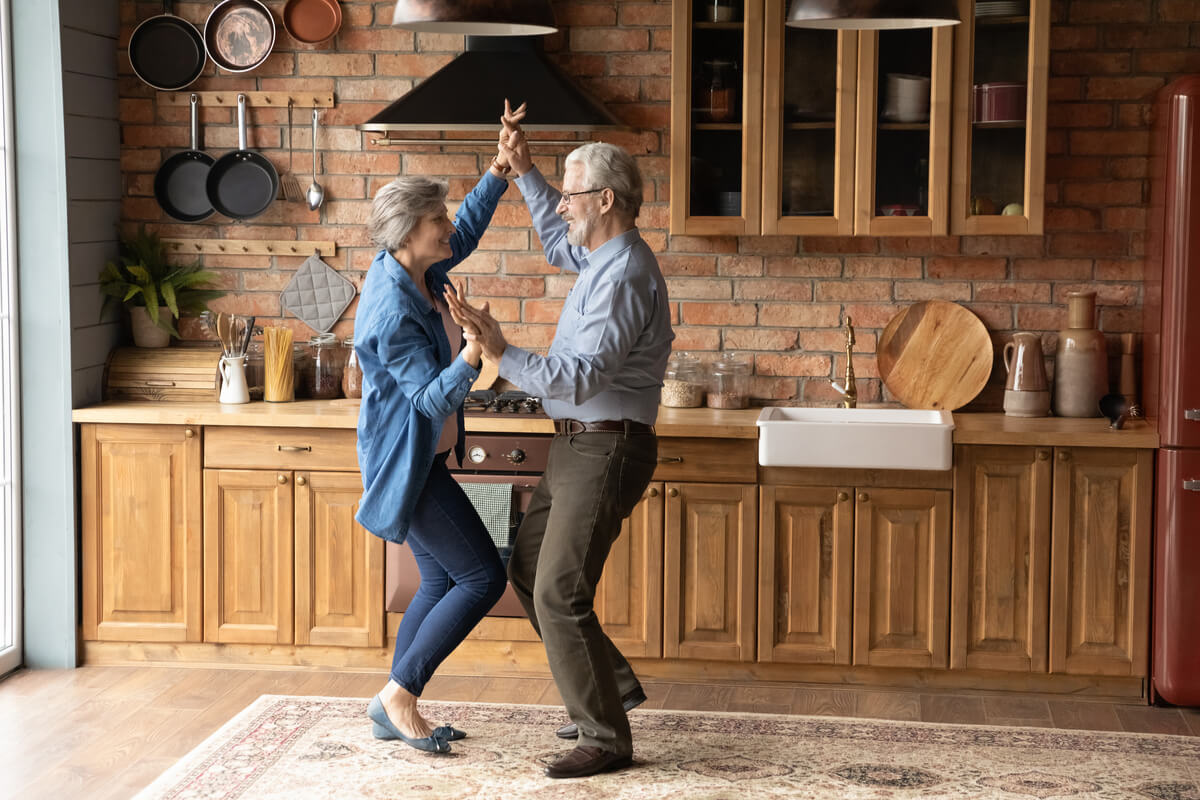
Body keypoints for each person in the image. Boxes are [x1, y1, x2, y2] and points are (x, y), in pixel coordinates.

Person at [446, 108, 674, 779]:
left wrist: (499, 347)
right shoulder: (602, 253)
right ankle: (613, 687)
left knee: (558, 592)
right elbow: (556, 238)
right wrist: (525, 172)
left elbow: (579, 377)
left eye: (574, 197)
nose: (564, 208)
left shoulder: (626, 273)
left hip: (605, 446)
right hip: (580, 443)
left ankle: (605, 737)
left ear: (605, 201)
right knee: (529, 570)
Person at [353, 103, 526, 754]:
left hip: (427, 457)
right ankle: (399, 697)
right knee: (482, 578)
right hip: (408, 461)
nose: (448, 229)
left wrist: (499, 171)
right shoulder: (389, 310)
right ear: (407, 232)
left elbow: (467, 233)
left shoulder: (419, 271)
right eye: (437, 222)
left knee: (439, 581)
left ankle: (393, 703)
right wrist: (473, 354)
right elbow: (425, 400)